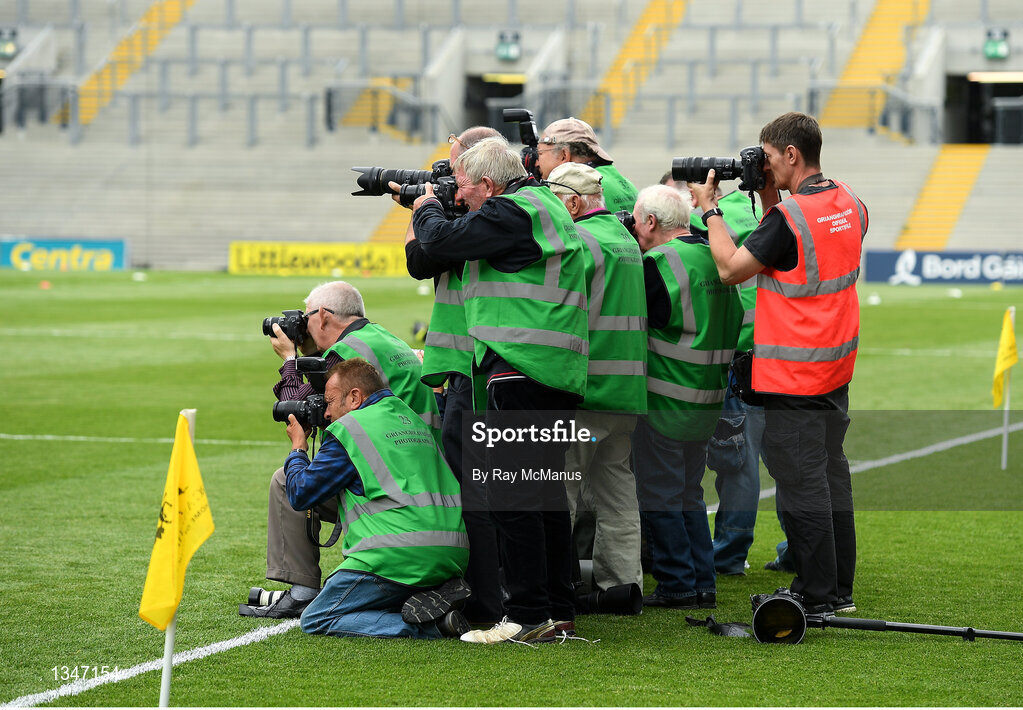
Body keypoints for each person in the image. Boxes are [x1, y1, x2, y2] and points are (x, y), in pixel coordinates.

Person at [406, 137, 589, 644]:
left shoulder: (513, 211)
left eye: (464, 188)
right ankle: (556, 609)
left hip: (521, 366)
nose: (460, 198)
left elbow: (438, 243)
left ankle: (529, 615)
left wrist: (425, 206)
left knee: (514, 495)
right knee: (543, 493)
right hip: (549, 369)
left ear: (488, 184)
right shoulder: (541, 204)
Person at [690, 111, 868, 614]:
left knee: (801, 484)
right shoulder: (850, 201)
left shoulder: (788, 220)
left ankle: (816, 595)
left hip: (794, 375)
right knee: (832, 475)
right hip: (835, 368)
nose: (761, 166)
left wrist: (711, 212)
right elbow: (797, 249)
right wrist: (770, 195)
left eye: (767, 157)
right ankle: (840, 589)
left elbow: (730, 269)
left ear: (790, 155)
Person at [240, 281, 443, 619]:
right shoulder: (383, 338)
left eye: (306, 319)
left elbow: (299, 409)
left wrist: (290, 358)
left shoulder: (349, 352)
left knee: (287, 481)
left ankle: (304, 592)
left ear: (322, 316)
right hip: (428, 471)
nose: (302, 327)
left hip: (392, 479)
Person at [278, 357, 469, 638]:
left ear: (355, 397)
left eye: (329, 402)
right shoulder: (411, 417)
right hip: (452, 554)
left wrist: (298, 449)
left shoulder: (351, 429)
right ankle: (425, 595)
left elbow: (300, 492)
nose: (326, 414)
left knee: (316, 618)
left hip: (395, 556)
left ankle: (432, 626)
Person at [403, 126, 506, 626]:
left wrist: (425, 209)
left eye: (454, 172)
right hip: (475, 365)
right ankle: (501, 591)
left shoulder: (487, 219)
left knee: (477, 489)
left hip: (479, 366)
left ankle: (489, 598)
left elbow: (424, 255)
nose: (449, 182)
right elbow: (423, 261)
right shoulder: (479, 215)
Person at [631, 184, 743, 610]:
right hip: (709, 398)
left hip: (666, 398)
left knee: (660, 494)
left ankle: (678, 582)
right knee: (690, 493)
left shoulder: (657, 264)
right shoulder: (714, 255)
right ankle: (703, 581)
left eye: (638, 222)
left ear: (652, 222)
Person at [546, 162, 647, 591]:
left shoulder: (579, 241)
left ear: (572, 202)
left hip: (587, 393)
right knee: (618, 495)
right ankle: (623, 584)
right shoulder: (625, 238)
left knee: (560, 493)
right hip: (625, 393)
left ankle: (550, 590)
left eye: (553, 200)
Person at [537, 117, 638, 213]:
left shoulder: (581, 190)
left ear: (564, 155)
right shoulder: (627, 184)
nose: (537, 163)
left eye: (540, 153)